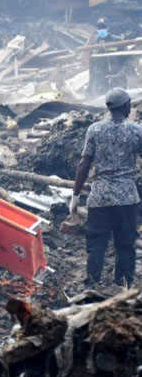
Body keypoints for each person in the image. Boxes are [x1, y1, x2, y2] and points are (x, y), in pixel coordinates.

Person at [71, 88, 142, 288]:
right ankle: (123, 282)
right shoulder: (136, 131)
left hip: (100, 198)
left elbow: (84, 164)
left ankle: (92, 282)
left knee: (96, 242)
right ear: (126, 106)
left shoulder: (95, 130)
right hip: (127, 199)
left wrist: (75, 196)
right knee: (126, 243)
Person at [88, 17, 130, 95]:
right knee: (99, 102)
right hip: (99, 79)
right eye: (99, 27)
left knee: (118, 99)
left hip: (116, 78)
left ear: (108, 27)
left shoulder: (117, 41)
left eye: (103, 27)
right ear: (97, 29)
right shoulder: (93, 44)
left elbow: (127, 59)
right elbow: (91, 64)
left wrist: (123, 72)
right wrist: (90, 81)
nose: (101, 29)